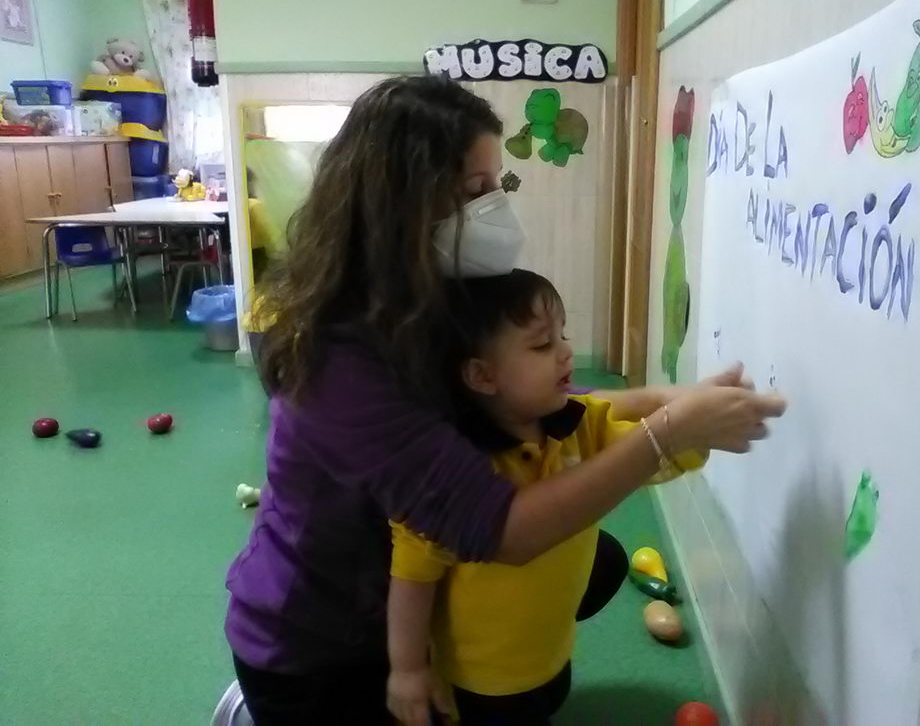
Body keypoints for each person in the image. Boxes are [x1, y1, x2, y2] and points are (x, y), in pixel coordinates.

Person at [223, 75, 786, 724]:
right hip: (322, 639)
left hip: (409, 591)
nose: (497, 207)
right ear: (401, 203)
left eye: (497, 184)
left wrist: (661, 398)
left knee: (591, 558)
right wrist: (663, 434)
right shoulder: (334, 355)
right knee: (542, 540)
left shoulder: (426, 286)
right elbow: (500, 529)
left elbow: (527, 391)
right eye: (476, 191)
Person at [386, 270, 706, 725]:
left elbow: (649, 455)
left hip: (550, 658)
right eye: (542, 345)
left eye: (563, 336)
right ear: (481, 374)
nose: (566, 353)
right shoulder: (454, 477)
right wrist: (407, 670)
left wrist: (696, 432)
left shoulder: (580, 424)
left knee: (545, 702)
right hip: (479, 684)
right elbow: (413, 583)